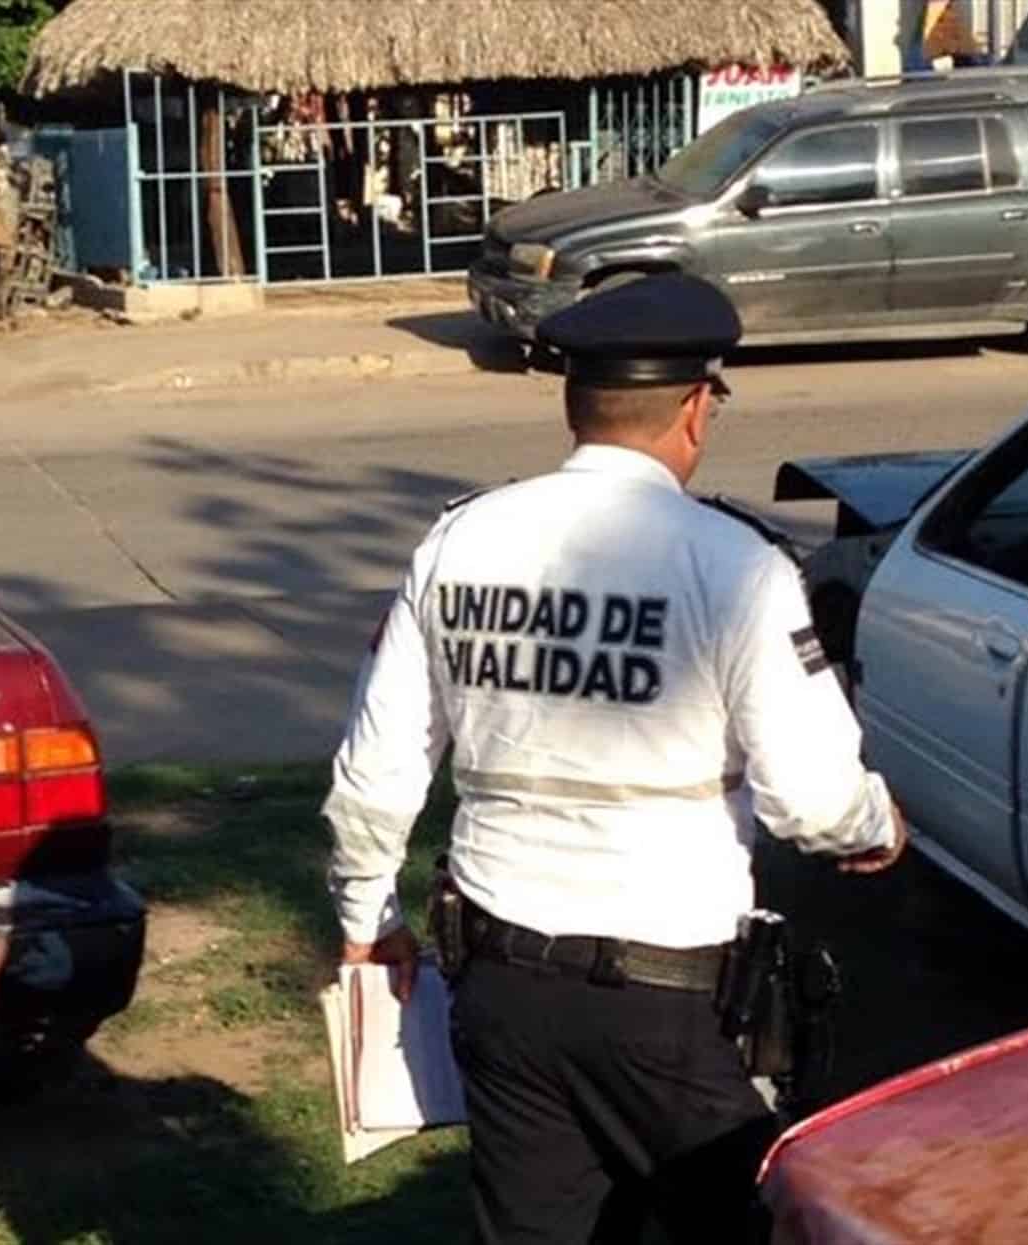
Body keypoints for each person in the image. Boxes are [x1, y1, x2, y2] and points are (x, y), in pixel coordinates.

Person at [322, 272, 908, 1244]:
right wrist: (875, 825)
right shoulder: (734, 564)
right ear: (693, 409)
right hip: (664, 1002)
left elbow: (377, 768)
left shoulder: (460, 541)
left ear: (576, 404)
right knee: (755, 1224)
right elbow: (810, 797)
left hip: (501, 987)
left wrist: (364, 916)